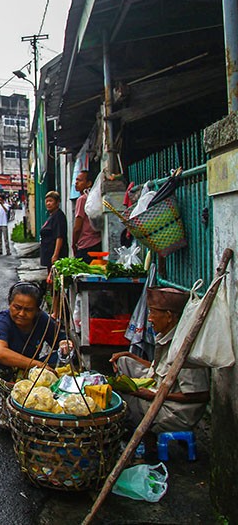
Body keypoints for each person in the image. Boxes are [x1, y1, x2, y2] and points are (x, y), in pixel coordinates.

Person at [110, 287, 210, 436]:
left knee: (122, 398)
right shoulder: (166, 335)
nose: (149, 319)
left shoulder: (184, 347)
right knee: (124, 362)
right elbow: (158, 368)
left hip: (174, 412)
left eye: (152, 313)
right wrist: (130, 356)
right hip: (160, 391)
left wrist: (156, 395)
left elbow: (201, 395)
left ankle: (138, 436)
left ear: (168, 316)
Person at [0, 281, 70, 421]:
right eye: (17, 307)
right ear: (9, 304)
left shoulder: (42, 319)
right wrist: (38, 365)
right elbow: (0, 353)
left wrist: (64, 344)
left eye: (28, 310)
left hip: (28, 373)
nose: (21, 313)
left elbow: (59, 339)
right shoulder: (1, 322)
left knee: (64, 357)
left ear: (37, 310)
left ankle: (50, 395)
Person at [72, 170, 102, 263]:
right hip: (97, 242)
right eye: (76, 180)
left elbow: (77, 227)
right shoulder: (93, 198)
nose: (76, 183)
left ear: (89, 183)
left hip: (85, 244)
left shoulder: (82, 199)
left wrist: (73, 244)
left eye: (80, 180)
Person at [39, 190, 68, 282]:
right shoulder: (51, 216)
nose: (48, 203)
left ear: (57, 202)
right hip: (48, 253)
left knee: (55, 279)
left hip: (55, 254)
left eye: (51, 201)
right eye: (47, 201)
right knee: (52, 279)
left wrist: (55, 255)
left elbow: (59, 237)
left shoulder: (59, 217)